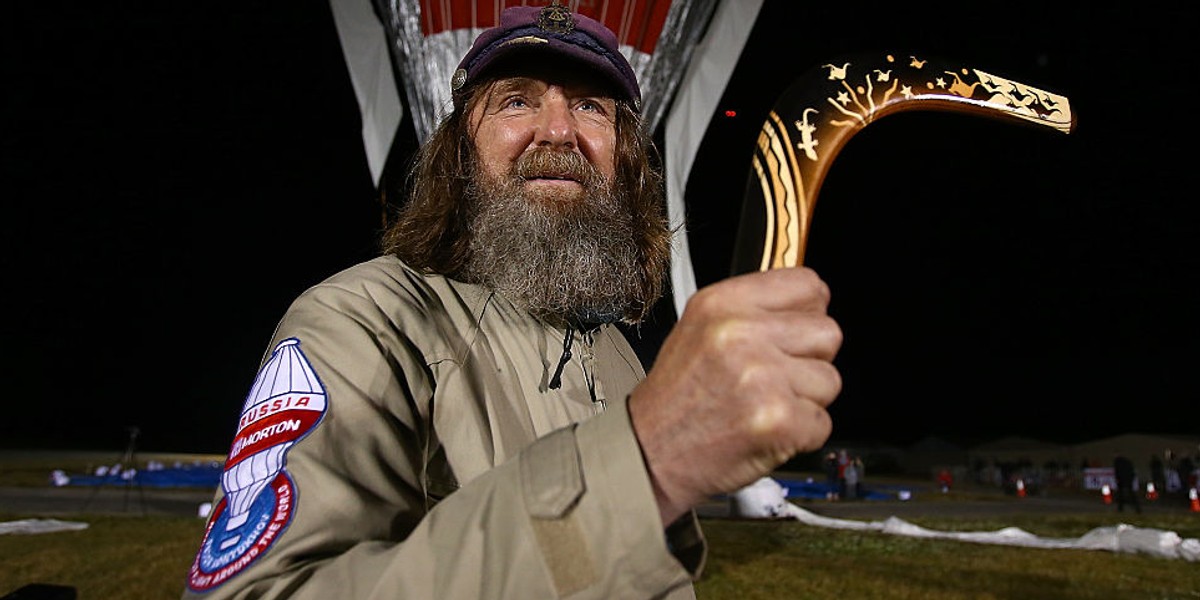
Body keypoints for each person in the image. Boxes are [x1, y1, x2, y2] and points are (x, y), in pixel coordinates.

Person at [182, 5, 843, 599]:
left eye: (591, 107)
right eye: (517, 102)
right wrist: (649, 460)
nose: (558, 131)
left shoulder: (617, 355)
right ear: (459, 152)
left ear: (627, 159)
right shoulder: (360, 324)